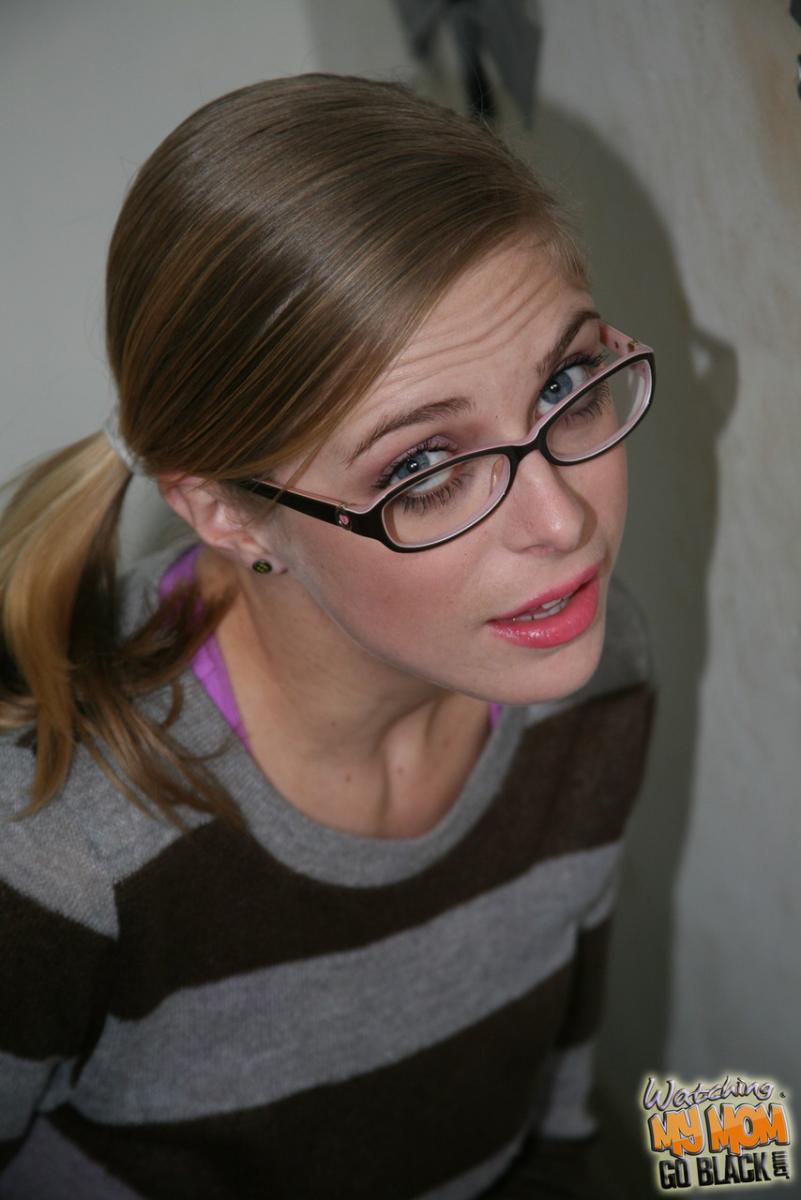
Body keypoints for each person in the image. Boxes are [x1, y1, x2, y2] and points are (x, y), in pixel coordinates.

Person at [0, 74, 655, 1199]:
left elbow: (553, 1114)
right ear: (225, 512)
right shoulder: (54, 847)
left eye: (565, 384)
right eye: (424, 467)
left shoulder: (589, 673)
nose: (565, 524)